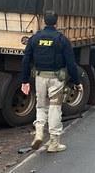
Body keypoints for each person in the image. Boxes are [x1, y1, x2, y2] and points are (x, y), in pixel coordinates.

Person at [20, 11, 83, 153]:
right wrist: (77, 81)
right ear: (56, 22)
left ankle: (39, 132)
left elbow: (26, 60)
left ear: (44, 21)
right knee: (55, 108)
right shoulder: (62, 40)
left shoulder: (34, 38)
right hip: (56, 79)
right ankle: (54, 142)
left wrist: (24, 80)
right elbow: (71, 64)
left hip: (39, 78)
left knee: (41, 106)